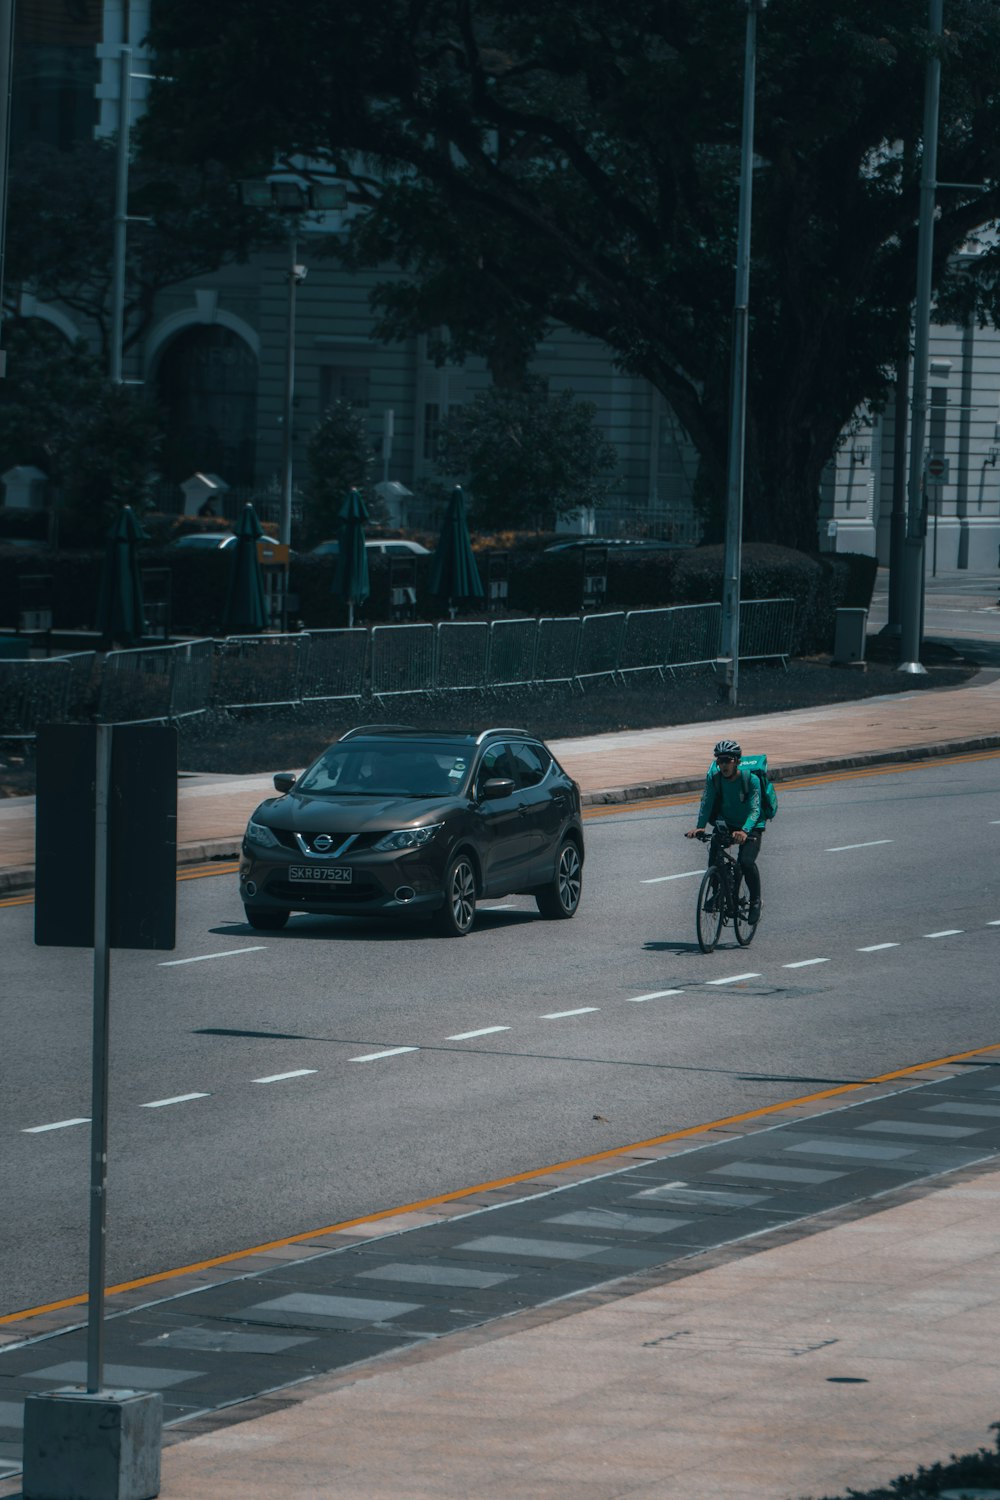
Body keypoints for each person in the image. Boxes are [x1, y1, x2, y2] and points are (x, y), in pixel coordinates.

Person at [686, 739, 763, 923]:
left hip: (750, 826)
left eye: (727, 760)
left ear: (737, 761)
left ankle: (755, 902)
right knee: (714, 857)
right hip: (727, 824)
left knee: (745, 862)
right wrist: (700, 826)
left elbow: (755, 809)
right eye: (719, 761)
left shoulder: (750, 780)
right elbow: (707, 803)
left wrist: (744, 831)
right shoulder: (715, 780)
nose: (723, 765)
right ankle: (718, 894)